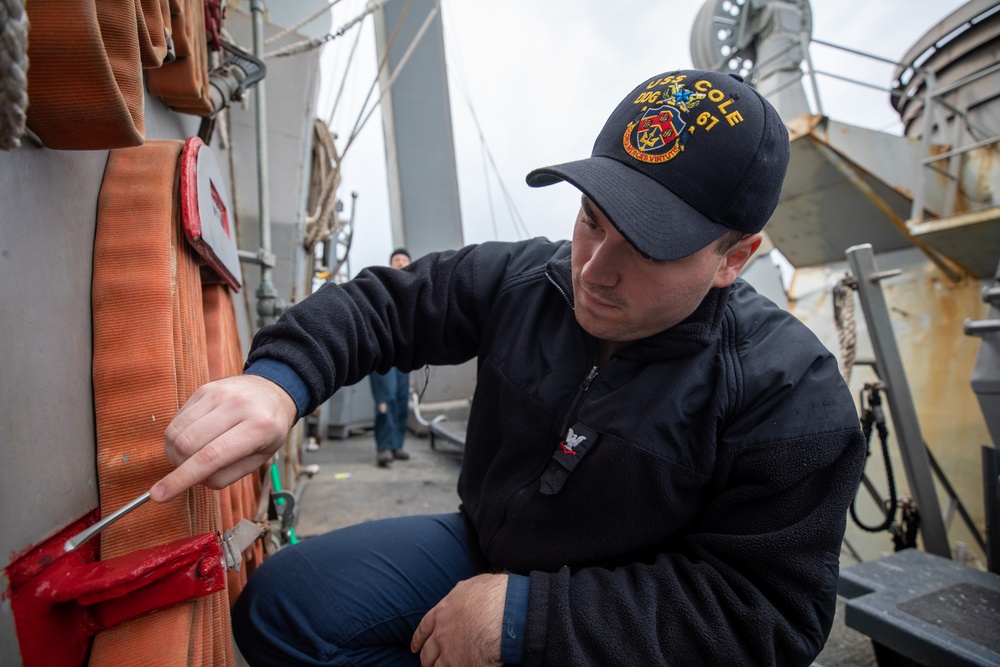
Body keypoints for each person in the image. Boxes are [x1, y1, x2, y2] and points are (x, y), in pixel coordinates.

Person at [155, 69, 866, 666]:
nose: (593, 270)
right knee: (278, 610)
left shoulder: (790, 395)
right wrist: (278, 381)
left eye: (648, 249)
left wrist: (530, 619)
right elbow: (389, 306)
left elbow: (765, 614)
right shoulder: (530, 277)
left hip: (624, 626)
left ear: (734, 258)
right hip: (483, 543)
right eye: (592, 218)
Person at [369, 248, 414, 467]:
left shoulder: (415, 291)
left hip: (404, 354)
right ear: (390, 264)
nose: (401, 263)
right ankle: (384, 447)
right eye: (397, 260)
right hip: (383, 353)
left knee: (401, 399)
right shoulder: (381, 286)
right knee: (385, 399)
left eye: (405, 260)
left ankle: (397, 445)